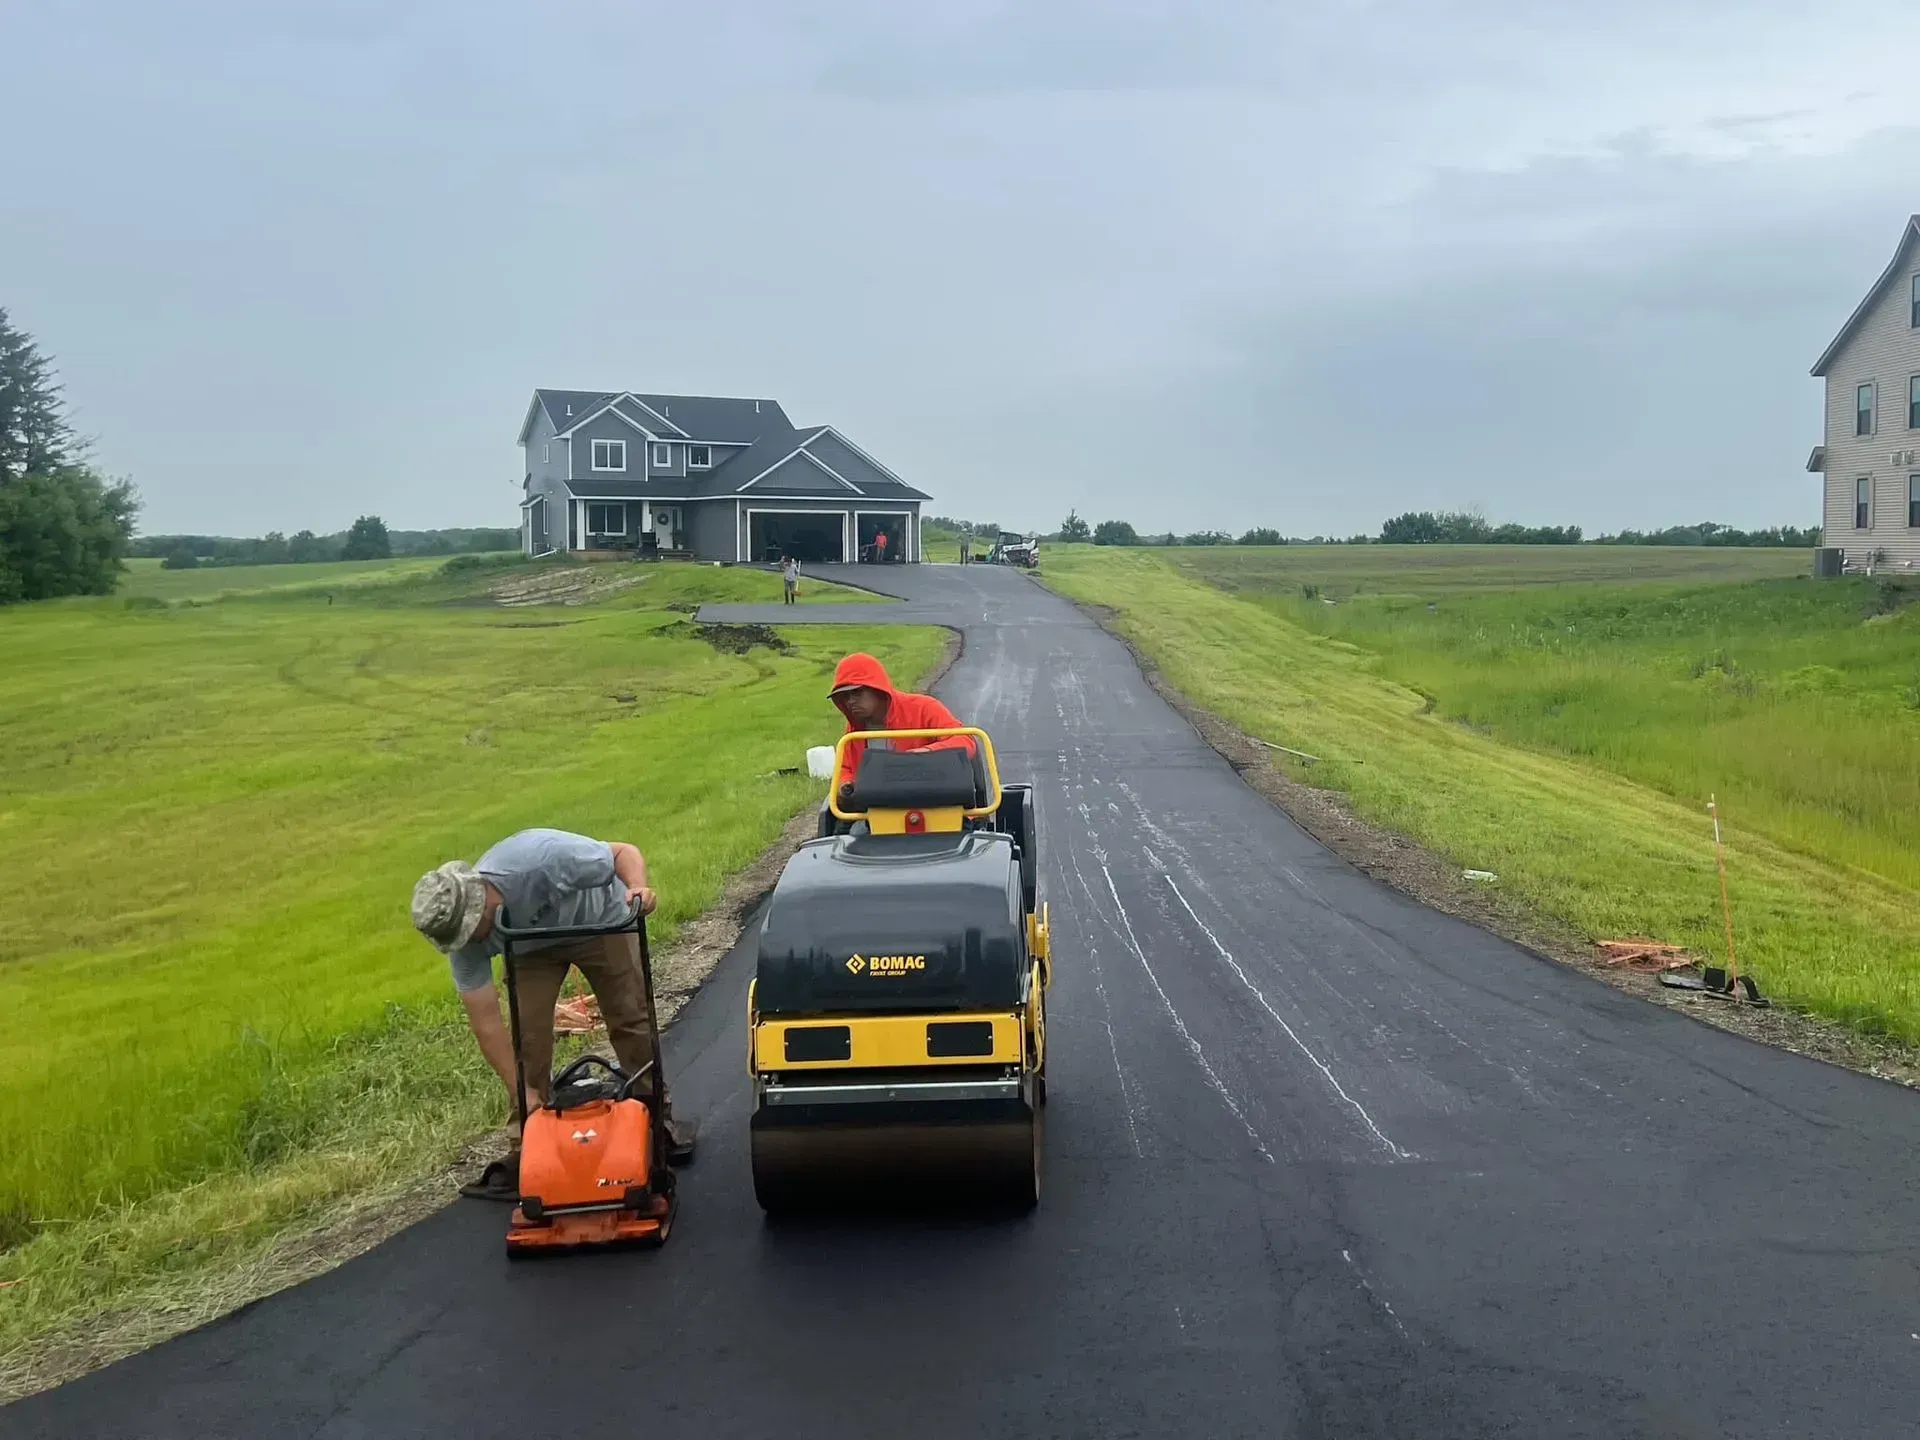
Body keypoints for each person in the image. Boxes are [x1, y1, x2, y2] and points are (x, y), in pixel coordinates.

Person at [410, 828, 696, 1200]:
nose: (469, 944)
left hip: (599, 921)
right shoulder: (463, 944)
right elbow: (486, 1024)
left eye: (470, 932)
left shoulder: (541, 859)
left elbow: (622, 851)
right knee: (527, 1038)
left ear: (482, 903)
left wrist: (638, 888)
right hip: (530, 947)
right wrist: (521, 1089)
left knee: (631, 1020)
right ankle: (528, 1143)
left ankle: (656, 1121)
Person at [828, 652, 975, 804]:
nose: (850, 701)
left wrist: (924, 754)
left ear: (876, 688)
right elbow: (845, 768)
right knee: (851, 827)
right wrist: (846, 786)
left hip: (934, 801)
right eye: (844, 696)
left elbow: (965, 741)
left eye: (857, 692)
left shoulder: (924, 708)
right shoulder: (854, 732)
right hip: (878, 809)